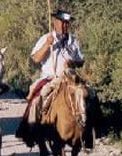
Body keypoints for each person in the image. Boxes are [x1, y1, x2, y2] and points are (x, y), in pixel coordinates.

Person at [16, 9, 85, 146]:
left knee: (88, 94)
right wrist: (48, 44)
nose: (65, 26)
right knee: (37, 99)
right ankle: (31, 131)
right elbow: (36, 58)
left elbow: (81, 60)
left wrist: (73, 62)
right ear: (55, 22)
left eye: (67, 23)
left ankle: (91, 131)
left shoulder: (73, 41)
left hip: (69, 78)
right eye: (62, 23)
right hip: (51, 78)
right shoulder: (46, 38)